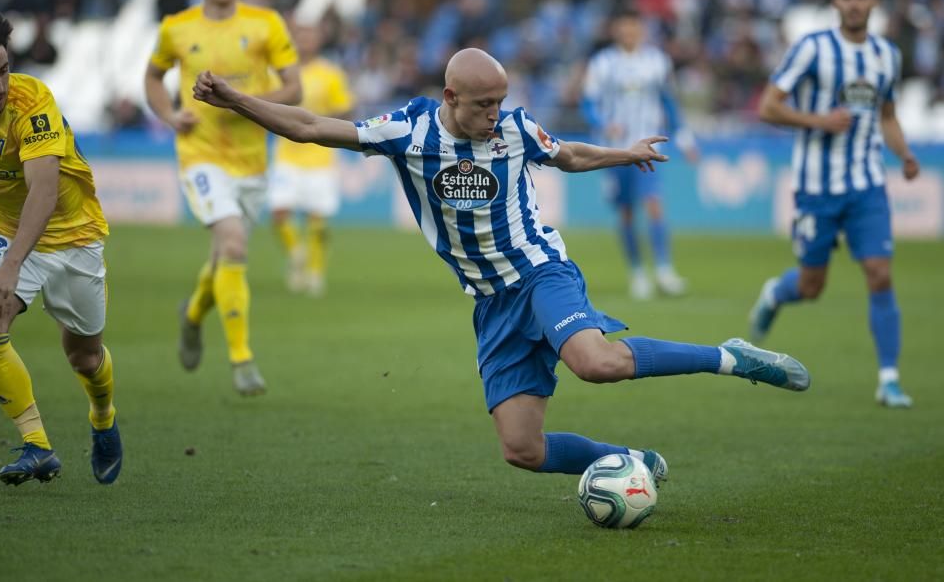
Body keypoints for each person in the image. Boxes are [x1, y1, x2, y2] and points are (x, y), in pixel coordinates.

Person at [191, 47, 811, 482]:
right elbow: (307, 126)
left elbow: (565, 153)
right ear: (450, 97)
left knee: (595, 363)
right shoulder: (406, 134)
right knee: (523, 450)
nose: (494, 116)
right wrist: (236, 99)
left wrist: (624, 154)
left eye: (500, 103)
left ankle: (729, 357)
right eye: (483, 105)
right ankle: (630, 459)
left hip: (542, 272)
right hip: (491, 302)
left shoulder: (513, 129)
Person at [0, 8, 122, 485]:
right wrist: (3, 261)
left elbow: (43, 193)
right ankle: (37, 445)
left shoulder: (32, 101)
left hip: (73, 235)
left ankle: (103, 416)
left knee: (83, 357)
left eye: (3, 70)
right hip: (5, 229)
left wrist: (10, 267)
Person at [750, 0, 920, 409]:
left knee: (880, 274)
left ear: (874, 0)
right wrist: (818, 121)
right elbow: (769, 107)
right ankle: (775, 292)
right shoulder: (812, 49)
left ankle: (889, 379)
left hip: (867, 185)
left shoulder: (887, 55)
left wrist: (903, 154)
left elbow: (886, 115)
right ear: (835, 3)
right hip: (815, 186)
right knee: (811, 286)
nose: (854, 4)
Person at [144, 0, 302, 396]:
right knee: (233, 244)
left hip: (253, 161)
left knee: (222, 257)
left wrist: (240, 101)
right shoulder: (177, 27)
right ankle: (242, 360)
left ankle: (192, 315)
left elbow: (294, 90)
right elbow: (153, 78)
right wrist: (171, 116)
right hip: (201, 154)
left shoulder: (266, 23)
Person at [581, 10, 698, 300]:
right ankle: (637, 272)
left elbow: (668, 101)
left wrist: (683, 138)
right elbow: (588, 103)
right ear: (616, 30)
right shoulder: (602, 64)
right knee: (626, 212)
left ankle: (664, 270)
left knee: (654, 204)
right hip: (615, 150)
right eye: (623, 27)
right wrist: (602, 123)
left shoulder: (657, 61)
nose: (628, 33)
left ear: (641, 29)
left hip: (649, 146)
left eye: (633, 27)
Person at [269, 23, 354, 296]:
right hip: (287, 153)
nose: (306, 41)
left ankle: (315, 273)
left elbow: (344, 108)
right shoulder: (281, 73)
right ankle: (297, 253)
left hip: (320, 155)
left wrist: (326, 127)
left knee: (317, 218)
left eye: (311, 35)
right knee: (279, 211)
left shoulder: (330, 74)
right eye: (302, 36)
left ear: (319, 40)